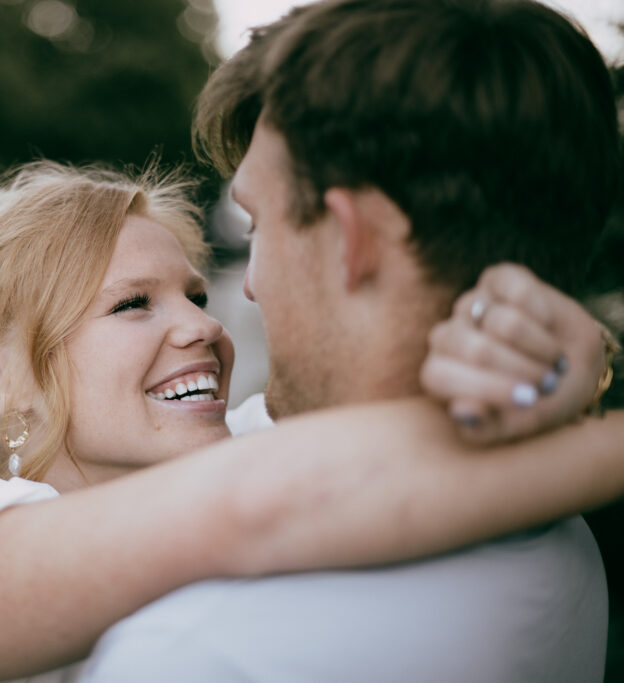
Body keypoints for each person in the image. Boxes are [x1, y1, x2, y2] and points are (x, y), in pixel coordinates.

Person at [0, 157, 622, 683]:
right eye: (132, 303)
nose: (206, 327)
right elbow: (267, 498)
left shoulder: (243, 447)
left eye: (193, 292)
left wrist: (580, 368)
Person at [80, 1, 623, 681]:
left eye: (259, 227)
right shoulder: (560, 529)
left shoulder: (204, 650)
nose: (245, 289)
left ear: (349, 238)